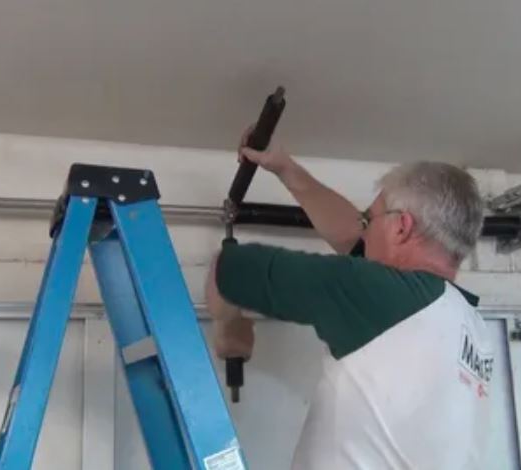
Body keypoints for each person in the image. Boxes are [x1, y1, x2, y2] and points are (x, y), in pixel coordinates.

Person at [205, 129, 493, 470]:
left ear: (401, 227)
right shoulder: (465, 320)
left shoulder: (379, 297)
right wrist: (286, 169)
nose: (364, 229)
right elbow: (354, 239)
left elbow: (228, 269)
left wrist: (228, 330)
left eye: (370, 219)